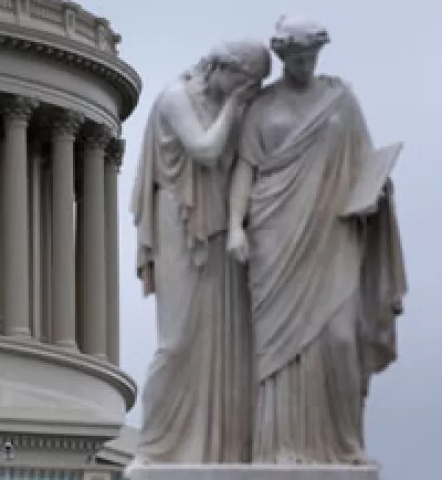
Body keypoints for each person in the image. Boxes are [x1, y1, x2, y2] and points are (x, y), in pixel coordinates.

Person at [227, 16, 407, 464]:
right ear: (283, 57)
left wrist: (379, 191)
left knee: (341, 340)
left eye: (312, 57)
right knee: (277, 354)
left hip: (333, 233)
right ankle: (279, 449)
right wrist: (234, 226)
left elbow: (365, 162)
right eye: (298, 58)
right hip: (273, 232)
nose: (306, 65)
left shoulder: (341, 102)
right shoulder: (262, 108)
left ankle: (344, 447)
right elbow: (245, 170)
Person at [128, 40, 271, 470]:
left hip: (219, 229)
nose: (249, 91)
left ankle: (217, 449)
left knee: (222, 343)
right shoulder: (176, 98)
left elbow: (250, 161)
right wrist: (235, 105)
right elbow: (206, 150)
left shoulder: (233, 103)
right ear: (222, 69)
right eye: (246, 82)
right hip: (180, 224)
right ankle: (154, 447)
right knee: (176, 343)